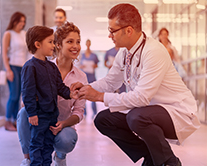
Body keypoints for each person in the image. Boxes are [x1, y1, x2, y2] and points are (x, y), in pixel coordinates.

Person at [71, 3, 200, 166]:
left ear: (129, 30)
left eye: (112, 30)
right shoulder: (125, 52)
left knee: (136, 117)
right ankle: (151, 157)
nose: (109, 36)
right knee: (103, 119)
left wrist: (100, 97)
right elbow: (111, 81)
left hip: (177, 111)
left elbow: (141, 98)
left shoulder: (154, 51)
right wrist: (86, 89)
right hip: (149, 110)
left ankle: (169, 162)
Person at [20, 24, 85, 166]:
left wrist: (71, 94)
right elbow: (27, 92)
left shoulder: (52, 68)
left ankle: (56, 159)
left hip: (53, 117)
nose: (75, 46)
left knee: (47, 145)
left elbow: (60, 87)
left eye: (78, 42)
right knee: (37, 141)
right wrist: (32, 112)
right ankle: (30, 161)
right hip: (39, 115)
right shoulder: (31, 67)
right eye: (70, 41)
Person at [2, 11, 28, 131]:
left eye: (23, 22)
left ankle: (16, 121)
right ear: (14, 21)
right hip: (12, 66)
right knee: (14, 95)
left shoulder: (24, 34)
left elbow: (28, 52)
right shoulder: (8, 34)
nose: (22, 24)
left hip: (23, 67)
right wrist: (8, 70)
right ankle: (7, 121)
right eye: (20, 21)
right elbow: (4, 53)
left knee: (21, 96)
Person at [80, 39, 99, 117]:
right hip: (84, 76)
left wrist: (93, 65)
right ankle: (84, 113)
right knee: (83, 94)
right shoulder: (82, 55)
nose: (88, 44)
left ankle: (94, 112)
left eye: (89, 43)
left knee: (93, 94)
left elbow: (97, 65)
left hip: (92, 76)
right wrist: (82, 66)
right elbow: (79, 65)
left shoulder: (94, 55)